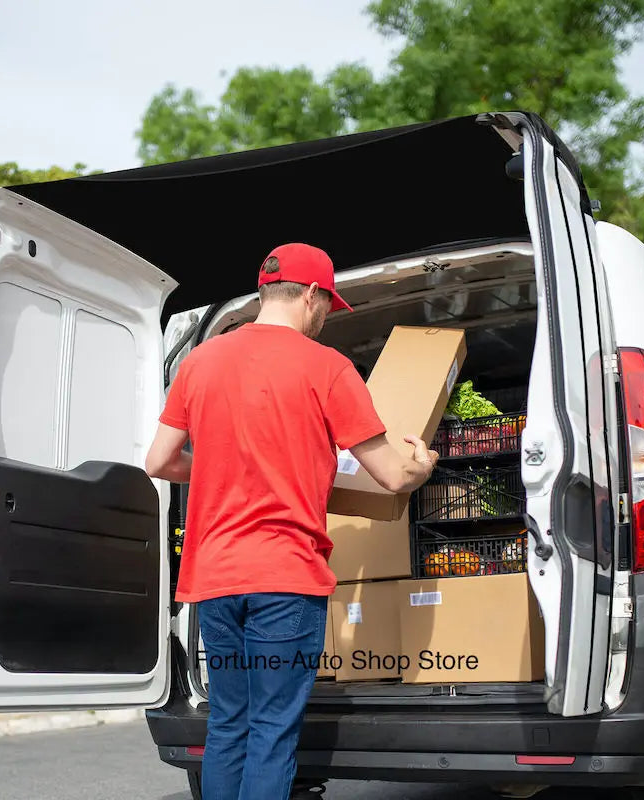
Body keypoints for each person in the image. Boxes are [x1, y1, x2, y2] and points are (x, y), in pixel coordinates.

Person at [145, 243, 439, 800]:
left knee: (229, 722)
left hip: (214, 580)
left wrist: (227, 464)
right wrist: (422, 466)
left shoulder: (200, 361)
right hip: (284, 579)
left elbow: (159, 461)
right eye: (327, 304)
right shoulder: (327, 367)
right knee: (273, 731)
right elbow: (393, 477)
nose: (326, 315)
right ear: (310, 295)